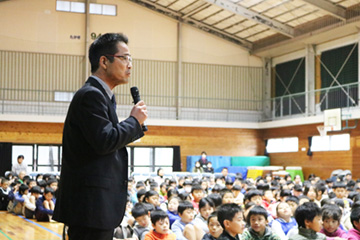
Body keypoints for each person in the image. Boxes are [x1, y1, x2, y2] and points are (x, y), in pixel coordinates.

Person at [53, 33, 147, 240]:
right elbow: (105, 141)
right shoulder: (91, 95)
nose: (130, 65)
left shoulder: (103, 96)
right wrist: (134, 121)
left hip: (94, 207)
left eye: (131, 59)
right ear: (104, 61)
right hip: (90, 206)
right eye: (125, 58)